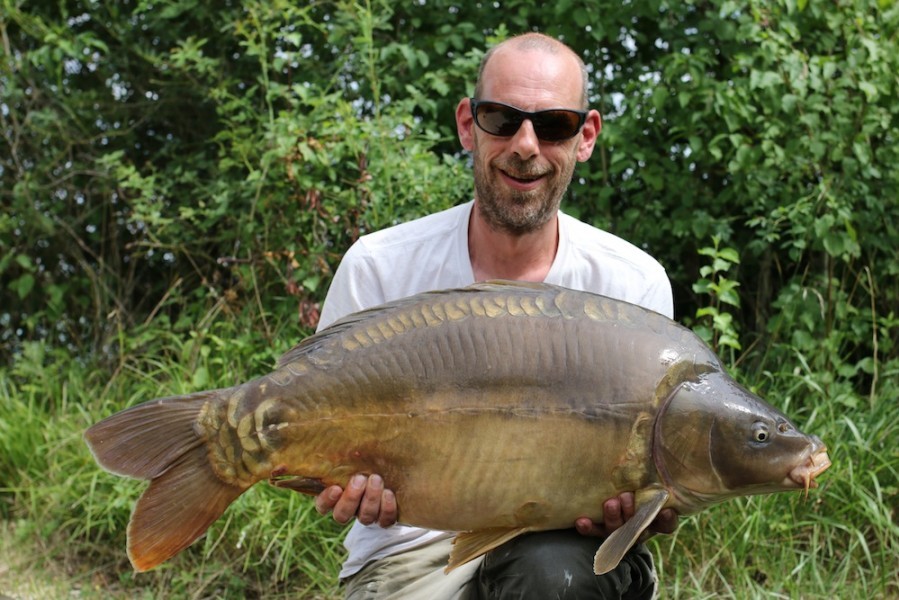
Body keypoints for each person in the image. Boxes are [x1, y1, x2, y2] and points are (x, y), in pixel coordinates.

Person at [311, 32, 678, 599]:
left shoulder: (632, 287)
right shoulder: (378, 267)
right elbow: (321, 427)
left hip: (558, 544)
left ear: (585, 137)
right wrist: (337, 479)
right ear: (467, 125)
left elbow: (649, 496)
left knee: (555, 574)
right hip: (407, 549)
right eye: (502, 119)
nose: (526, 144)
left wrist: (648, 506)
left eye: (554, 124)